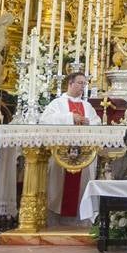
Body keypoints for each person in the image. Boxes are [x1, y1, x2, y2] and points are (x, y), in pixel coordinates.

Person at [41, 71, 101, 220]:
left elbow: (97, 123)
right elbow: (45, 120)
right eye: (80, 83)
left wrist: (89, 122)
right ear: (70, 83)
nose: (83, 87)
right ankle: (56, 219)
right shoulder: (57, 103)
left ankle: (82, 218)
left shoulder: (86, 106)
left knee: (82, 186)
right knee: (58, 185)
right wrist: (70, 118)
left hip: (84, 155)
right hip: (62, 153)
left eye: (84, 84)